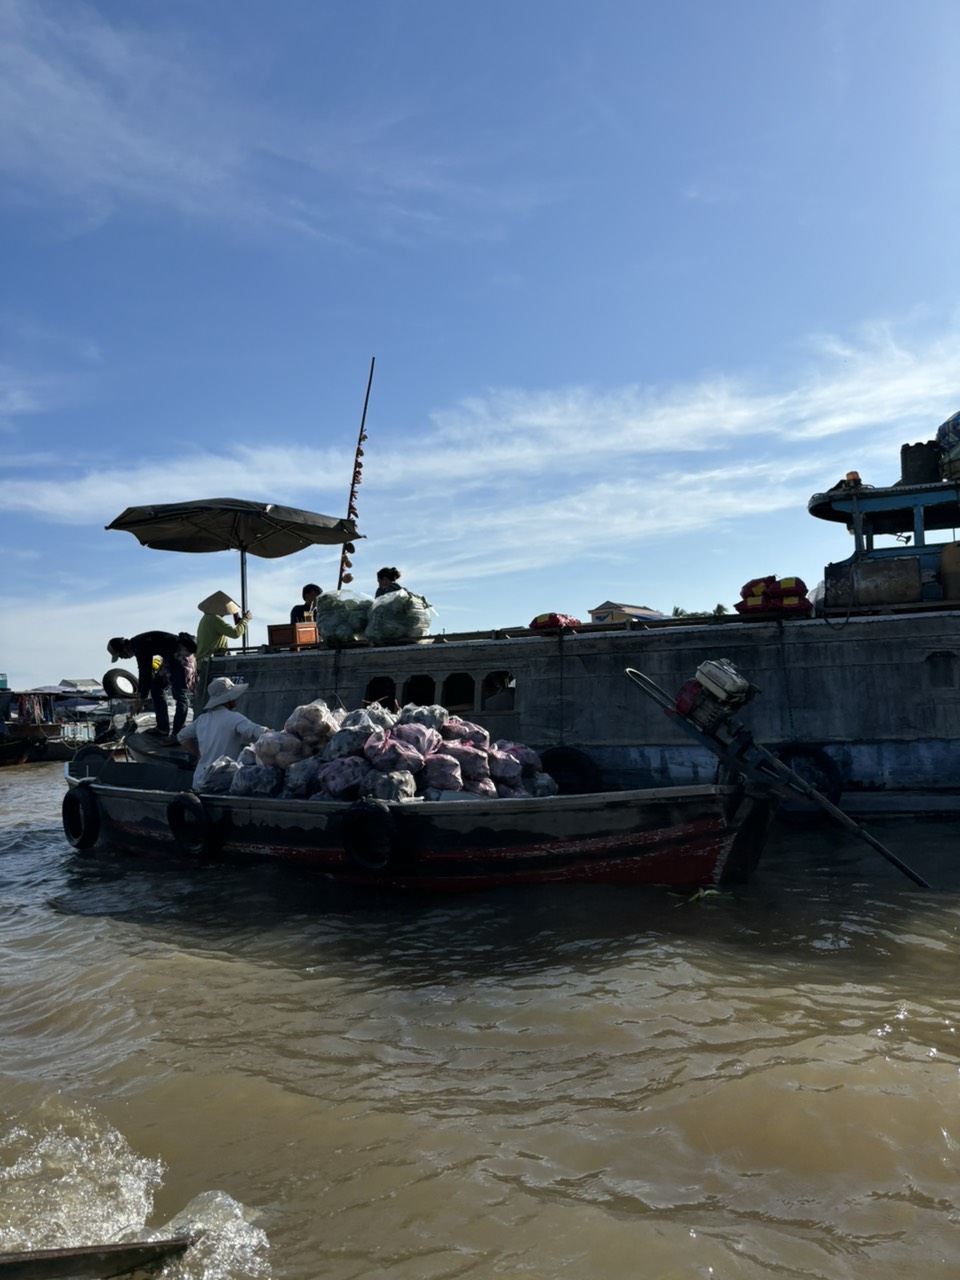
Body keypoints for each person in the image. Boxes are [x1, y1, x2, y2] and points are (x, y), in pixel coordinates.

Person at [177, 676, 267, 791]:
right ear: (229, 699)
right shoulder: (234, 718)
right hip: (221, 782)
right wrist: (276, 736)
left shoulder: (202, 719)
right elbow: (256, 731)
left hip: (199, 781)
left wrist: (197, 755)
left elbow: (181, 736)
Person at [107, 631, 198, 741]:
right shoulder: (137, 644)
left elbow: (146, 671)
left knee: (180, 695)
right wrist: (141, 697)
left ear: (124, 648)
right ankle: (162, 728)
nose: (122, 658)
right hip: (171, 658)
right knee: (156, 688)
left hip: (182, 656)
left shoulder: (139, 645)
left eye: (120, 655)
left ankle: (177, 734)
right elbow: (144, 672)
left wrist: (141, 698)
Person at [196, 590, 253, 661]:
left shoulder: (206, 618)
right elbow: (235, 633)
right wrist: (245, 620)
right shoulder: (214, 619)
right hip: (209, 664)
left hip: (203, 662)